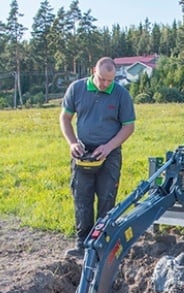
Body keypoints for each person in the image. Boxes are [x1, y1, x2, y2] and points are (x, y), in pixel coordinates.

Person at [59, 57, 136, 256]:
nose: (105, 84)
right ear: (94, 71)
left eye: (110, 81)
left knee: (107, 198)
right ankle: (82, 245)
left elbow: (129, 126)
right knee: (82, 198)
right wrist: (73, 142)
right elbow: (65, 118)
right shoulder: (77, 89)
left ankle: (102, 245)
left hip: (109, 153)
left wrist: (109, 147)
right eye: (102, 79)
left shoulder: (121, 95)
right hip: (83, 152)